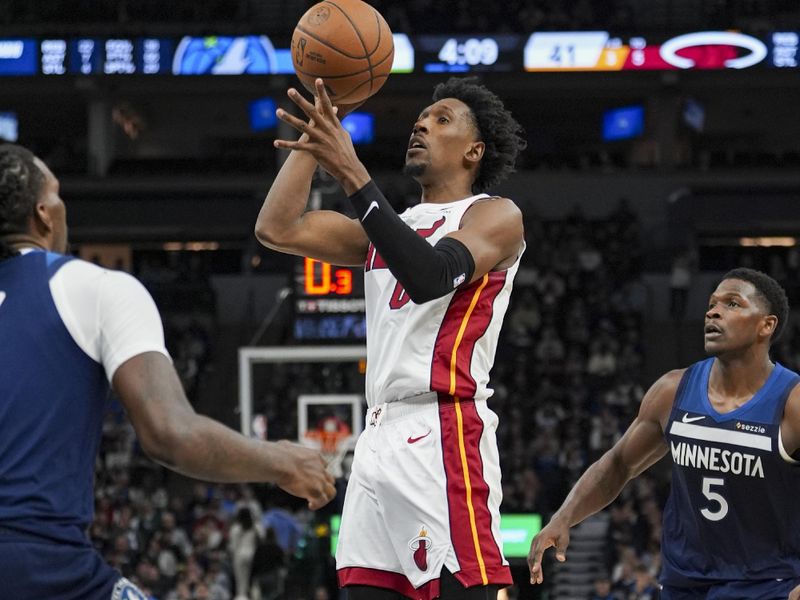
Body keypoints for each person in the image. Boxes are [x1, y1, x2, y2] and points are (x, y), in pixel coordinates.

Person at [0, 143, 336, 599]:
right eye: (58, 195)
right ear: (43, 214)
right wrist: (281, 460)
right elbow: (170, 434)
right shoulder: (92, 287)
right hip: (37, 565)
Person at [255, 76, 526, 600]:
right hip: (375, 438)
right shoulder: (388, 229)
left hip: (443, 429)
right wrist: (316, 139)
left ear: (474, 150)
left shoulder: (495, 215)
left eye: (441, 119)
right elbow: (276, 228)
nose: (421, 123)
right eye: (420, 118)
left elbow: (429, 276)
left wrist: (350, 168)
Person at [528, 268, 800, 600]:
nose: (713, 311)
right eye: (712, 304)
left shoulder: (792, 402)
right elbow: (617, 465)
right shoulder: (673, 390)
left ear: (766, 325)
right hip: (683, 584)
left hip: (765, 586)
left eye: (732, 304)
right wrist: (564, 516)